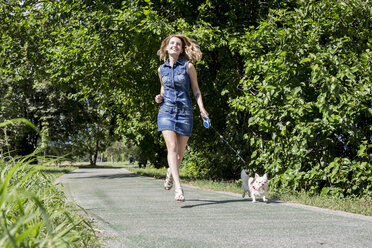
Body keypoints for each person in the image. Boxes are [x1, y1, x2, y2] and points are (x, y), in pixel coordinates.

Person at [155, 34, 208, 202]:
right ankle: (178, 189)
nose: (175, 46)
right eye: (172, 43)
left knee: (179, 155)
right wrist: (159, 97)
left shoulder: (188, 67)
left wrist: (202, 109)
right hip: (166, 111)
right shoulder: (161, 69)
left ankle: (171, 172)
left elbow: (196, 90)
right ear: (166, 48)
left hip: (185, 112)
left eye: (178, 44)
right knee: (171, 147)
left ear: (182, 49)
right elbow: (163, 89)